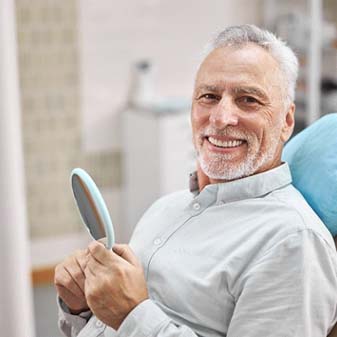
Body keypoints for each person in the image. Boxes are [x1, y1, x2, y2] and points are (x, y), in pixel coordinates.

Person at [55, 24, 337, 337]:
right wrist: (81, 308)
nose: (220, 117)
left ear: (286, 121)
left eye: (248, 100)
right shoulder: (165, 208)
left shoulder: (293, 241)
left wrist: (132, 315)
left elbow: (129, 319)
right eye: (209, 96)